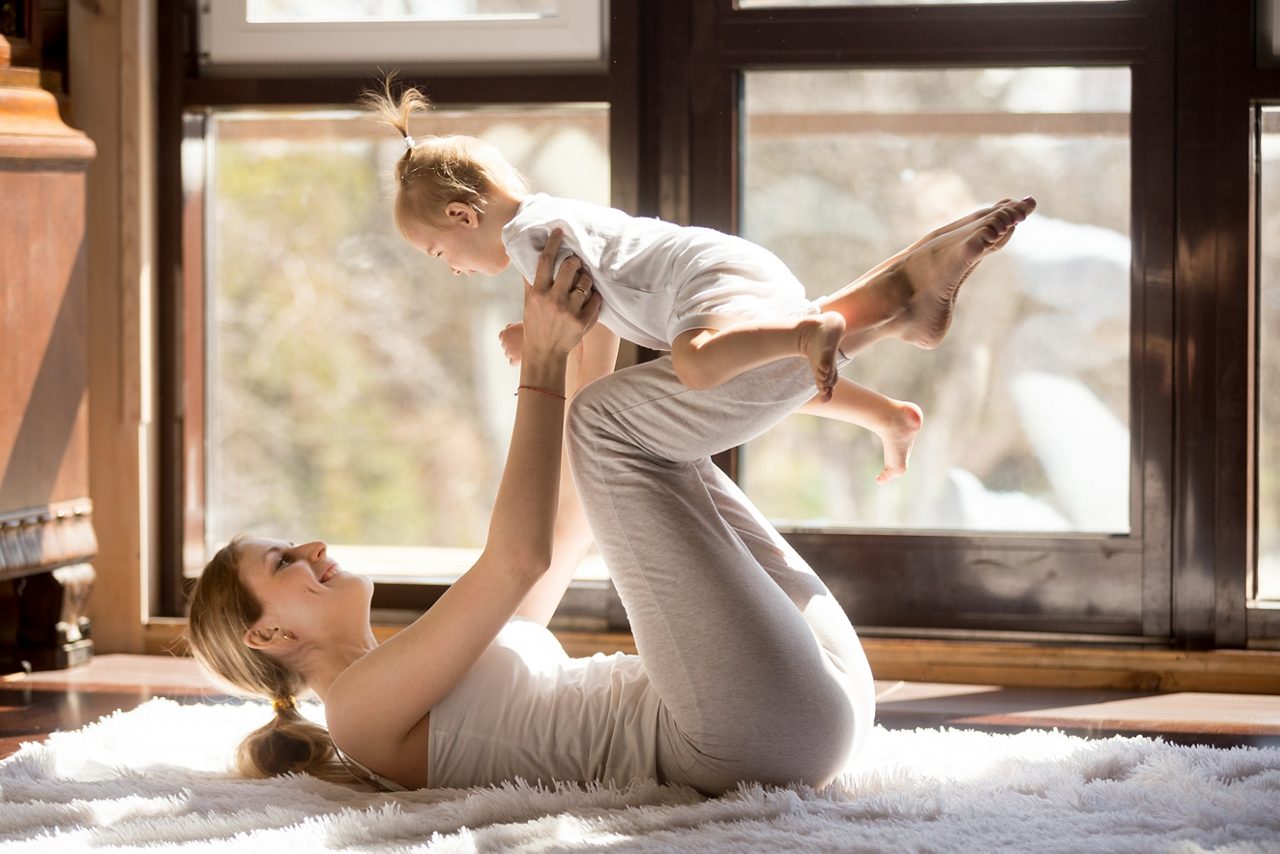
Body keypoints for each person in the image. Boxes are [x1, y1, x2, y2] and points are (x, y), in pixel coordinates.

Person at [186, 194, 1033, 793]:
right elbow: (518, 558)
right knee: (613, 427)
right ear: (268, 631)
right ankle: (879, 313)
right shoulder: (361, 716)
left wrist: (574, 313)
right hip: (744, 735)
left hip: (809, 698)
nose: (315, 549)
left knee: (654, 428)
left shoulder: (427, 662)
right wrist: (548, 369)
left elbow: (570, 523)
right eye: (285, 560)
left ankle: (887, 307)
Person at [363, 79, 1037, 484]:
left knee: (695, 364)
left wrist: (528, 333)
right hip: (722, 264)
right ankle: (887, 411)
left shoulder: (523, 237)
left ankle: (812, 329)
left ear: (462, 215)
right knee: (758, 382)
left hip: (699, 282)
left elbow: (566, 311)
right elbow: (584, 302)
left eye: (436, 251)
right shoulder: (546, 219)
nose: (447, 267)